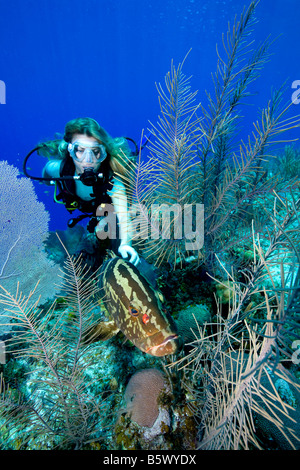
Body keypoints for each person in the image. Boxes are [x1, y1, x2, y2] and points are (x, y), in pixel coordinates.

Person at [40, 117, 140, 267]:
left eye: (95, 152)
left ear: (103, 153)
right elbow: (46, 172)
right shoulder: (59, 169)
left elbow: (125, 219)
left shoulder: (112, 181)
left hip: (105, 210)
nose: (88, 160)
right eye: (80, 150)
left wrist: (126, 243)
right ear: (70, 150)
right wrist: (47, 181)